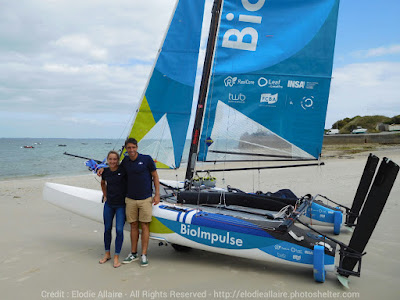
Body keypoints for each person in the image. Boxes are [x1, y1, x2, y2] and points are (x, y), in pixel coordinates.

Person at [119, 138, 160, 266]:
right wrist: (103, 169)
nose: (131, 150)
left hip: (145, 199)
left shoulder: (147, 159)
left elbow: (155, 176)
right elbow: (115, 171)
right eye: (129, 148)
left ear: (137, 147)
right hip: (130, 199)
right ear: (126, 148)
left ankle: (143, 254)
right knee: (133, 226)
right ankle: (133, 253)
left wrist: (157, 195)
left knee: (145, 226)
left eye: (133, 147)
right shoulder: (125, 161)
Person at [99, 150, 126, 268]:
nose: (113, 161)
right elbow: (102, 183)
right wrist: (105, 195)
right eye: (110, 159)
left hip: (121, 205)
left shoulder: (123, 170)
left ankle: (116, 256)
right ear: (107, 160)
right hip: (109, 204)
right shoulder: (105, 172)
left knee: (119, 230)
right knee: (107, 229)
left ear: (118, 160)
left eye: (115, 159)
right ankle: (107, 254)